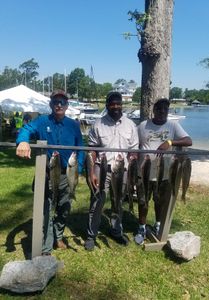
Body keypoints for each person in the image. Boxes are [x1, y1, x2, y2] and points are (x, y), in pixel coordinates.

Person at [16, 89, 85, 255]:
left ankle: (58, 236)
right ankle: (46, 247)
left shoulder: (73, 125)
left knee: (64, 207)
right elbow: (26, 129)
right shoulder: (41, 121)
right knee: (47, 209)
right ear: (51, 104)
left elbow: (81, 148)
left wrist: (78, 170)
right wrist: (23, 141)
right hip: (47, 174)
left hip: (67, 173)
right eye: (56, 102)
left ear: (67, 105)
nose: (59, 105)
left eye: (62, 102)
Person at [84, 91, 139, 251]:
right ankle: (91, 235)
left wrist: (133, 167)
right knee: (97, 201)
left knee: (118, 202)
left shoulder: (130, 125)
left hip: (122, 170)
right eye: (112, 103)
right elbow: (92, 150)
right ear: (107, 105)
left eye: (118, 103)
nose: (116, 106)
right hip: (102, 168)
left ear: (122, 104)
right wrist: (92, 172)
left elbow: (134, 150)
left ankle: (116, 230)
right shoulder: (98, 124)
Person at [134, 98, 192, 245]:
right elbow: (134, 143)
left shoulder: (173, 125)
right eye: (159, 109)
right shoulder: (142, 126)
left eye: (165, 110)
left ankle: (158, 225)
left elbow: (188, 141)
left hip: (165, 173)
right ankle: (141, 227)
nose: (162, 112)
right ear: (154, 110)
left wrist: (170, 142)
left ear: (168, 111)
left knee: (160, 202)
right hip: (144, 172)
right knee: (143, 201)